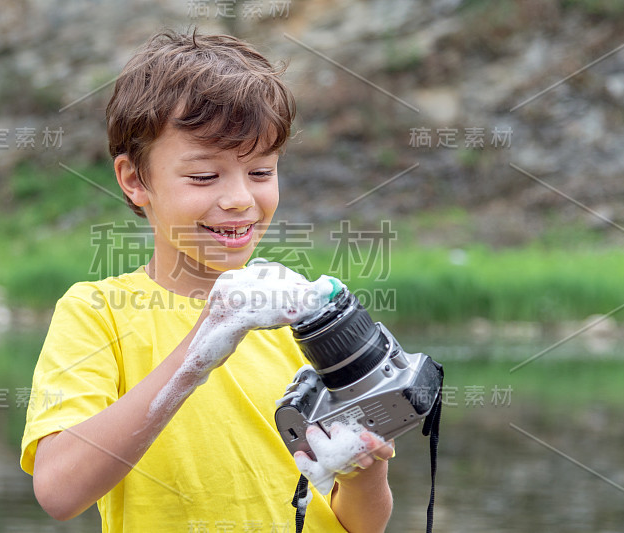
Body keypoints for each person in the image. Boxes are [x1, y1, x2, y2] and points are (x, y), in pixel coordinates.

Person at [20, 29, 394, 532]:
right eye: (203, 177)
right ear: (135, 180)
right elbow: (59, 490)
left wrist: (366, 471)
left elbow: (360, 524)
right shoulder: (97, 313)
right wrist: (200, 352)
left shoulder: (299, 315)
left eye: (261, 172)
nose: (240, 198)